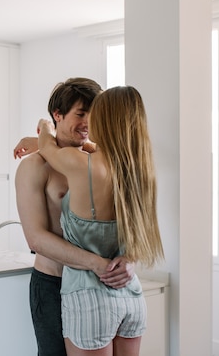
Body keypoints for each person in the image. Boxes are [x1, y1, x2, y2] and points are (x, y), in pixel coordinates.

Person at [35, 85, 165, 355]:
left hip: (89, 301)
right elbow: (141, 235)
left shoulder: (80, 163)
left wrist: (44, 126)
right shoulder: (141, 171)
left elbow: (47, 147)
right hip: (131, 297)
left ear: (103, 119)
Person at [14, 78, 135, 356]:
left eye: (94, 115)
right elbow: (36, 238)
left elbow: (131, 221)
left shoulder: (101, 160)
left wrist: (129, 260)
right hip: (54, 285)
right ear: (58, 114)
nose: (88, 123)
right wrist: (97, 264)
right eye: (81, 114)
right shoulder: (34, 167)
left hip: (101, 286)